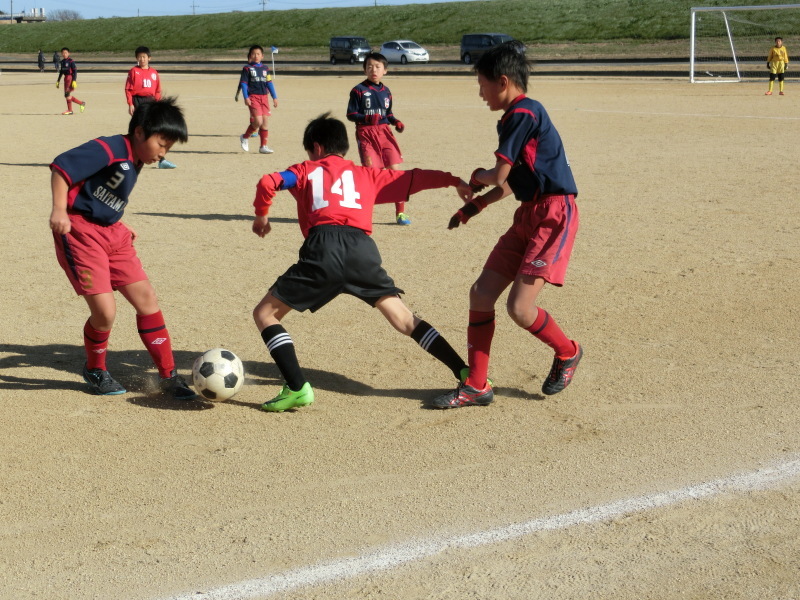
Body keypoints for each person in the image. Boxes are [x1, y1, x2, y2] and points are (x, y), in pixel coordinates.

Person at [250, 113, 473, 412]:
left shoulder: (305, 170)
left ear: (315, 148)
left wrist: (262, 216)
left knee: (265, 314)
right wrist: (453, 181)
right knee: (404, 319)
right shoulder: (367, 175)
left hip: (323, 250)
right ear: (343, 148)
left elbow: (270, 181)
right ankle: (464, 372)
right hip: (362, 251)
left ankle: (297, 387)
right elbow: (414, 178)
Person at [429, 41, 582, 409]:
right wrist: (476, 206)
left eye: (481, 84)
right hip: (529, 213)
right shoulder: (521, 116)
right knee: (481, 293)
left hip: (553, 216)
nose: (480, 93)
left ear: (502, 81)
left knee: (520, 309)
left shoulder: (522, 114)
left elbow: (498, 175)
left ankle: (568, 351)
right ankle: (477, 385)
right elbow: (515, 182)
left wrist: (474, 177)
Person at [48, 98, 198, 400]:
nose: (163, 153)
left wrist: (117, 222)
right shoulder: (110, 148)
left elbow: (104, 193)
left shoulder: (139, 158)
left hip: (112, 233)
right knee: (105, 312)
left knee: (147, 300)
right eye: (162, 144)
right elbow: (62, 167)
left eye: (168, 148)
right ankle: (95, 369)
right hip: (81, 232)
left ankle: (169, 375)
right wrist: (58, 210)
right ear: (140, 132)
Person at [346, 52, 410, 226]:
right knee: (371, 174)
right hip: (366, 134)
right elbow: (351, 114)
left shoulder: (386, 92)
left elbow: (388, 114)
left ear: (385, 71)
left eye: (377, 67)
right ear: (364, 69)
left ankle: (401, 213)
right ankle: (364, 213)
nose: (373, 70)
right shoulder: (358, 90)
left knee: (395, 172)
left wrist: (396, 122)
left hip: (384, 134)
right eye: (369, 66)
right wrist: (367, 118)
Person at [124, 46, 177, 169]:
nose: (142, 59)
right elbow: (128, 89)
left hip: (151, 101)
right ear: (136, 58)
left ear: (149, 58)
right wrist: (130, 104)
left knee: (156, 129)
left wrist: (157, 104)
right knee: (138, 128)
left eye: (144, 57)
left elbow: (158, 90)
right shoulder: (133, 71)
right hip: (139, 101)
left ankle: (161, 159)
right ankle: (130, 156)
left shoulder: (154, 73)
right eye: (139, 57)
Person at [238, 44, 278, 154]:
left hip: (264, 97)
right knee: (258, 121)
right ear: (250, 55)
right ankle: (245, 137)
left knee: (265, 122)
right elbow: (244, 84)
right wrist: (246, 97)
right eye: (254, 54)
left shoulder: (265, 69)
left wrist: (274, 97)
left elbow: (269, 83)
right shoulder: (247, 68)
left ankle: (263, 146)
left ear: (262, 56)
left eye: (258, 54)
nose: (256, 56)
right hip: (253, 97)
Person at [56, 48, 86, 116]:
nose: (64, 54)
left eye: (66, 53)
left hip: (70, 78)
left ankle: (70, 110)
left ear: (69, 53)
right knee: (67, 95)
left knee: (67, 94)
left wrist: (74, 80)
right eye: (63, 53)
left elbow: (75, 71)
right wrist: (58, 81)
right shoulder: (62, 61)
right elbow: (61, 72)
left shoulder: (71, 61)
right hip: (65, 78)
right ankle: (81, 103)